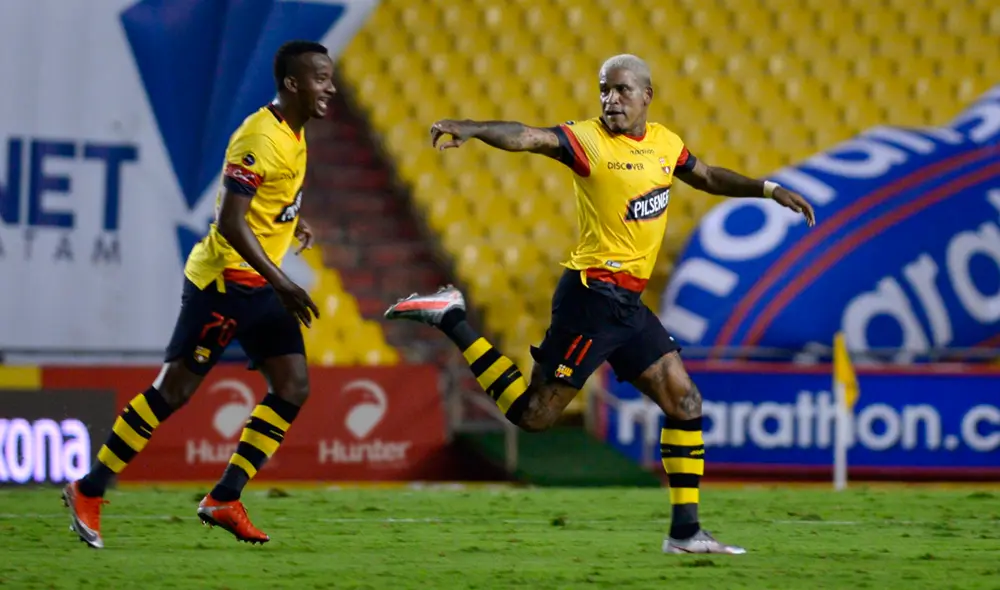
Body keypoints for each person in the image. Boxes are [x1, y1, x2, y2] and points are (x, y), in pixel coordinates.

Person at [385, 54, 816, 555]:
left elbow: (707, 176)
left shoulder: (665, 144)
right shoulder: (587, 141)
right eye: (604, 90)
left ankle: (684, 533)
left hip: (628, 306)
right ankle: (452, 317)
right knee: (533, 417)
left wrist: (767, 189)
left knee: (686, 403)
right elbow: (528, 136)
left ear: (647, 96)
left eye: (621, 90)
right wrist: (474, 128)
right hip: (590, 298)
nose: (611, 99)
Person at [62, 40, 334, 548]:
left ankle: (225, 498)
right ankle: (88, 488)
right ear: (293, 84)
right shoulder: (260, 137)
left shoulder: (293, 133)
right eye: (321, 78)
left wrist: (292, 221)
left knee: (293, 385)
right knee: (174, 392)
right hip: (225, 285)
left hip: (262, 285)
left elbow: (260, 201)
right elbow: (230, 221)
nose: (331, 88)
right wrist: (284, 282)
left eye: (331, 77)